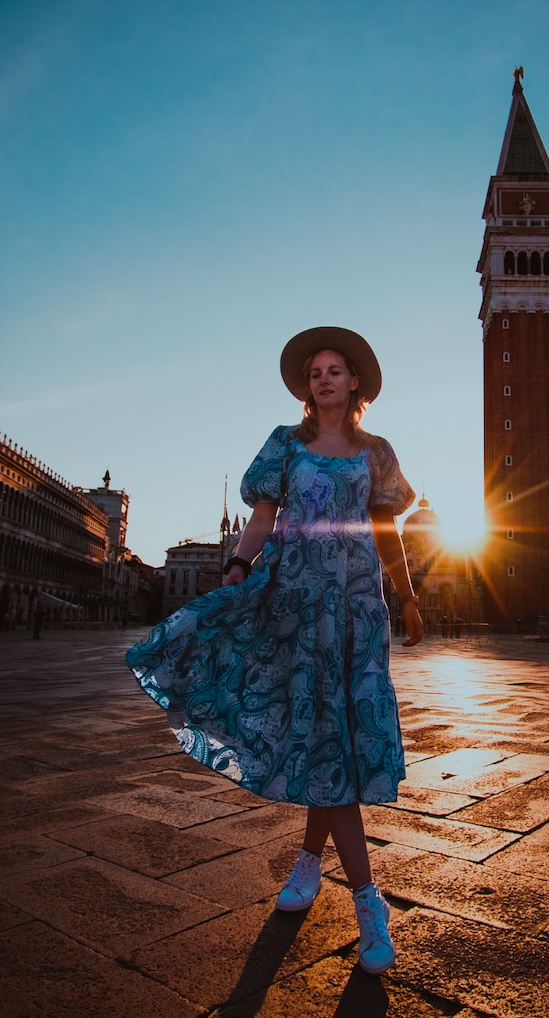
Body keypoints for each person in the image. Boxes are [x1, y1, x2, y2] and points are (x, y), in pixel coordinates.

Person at [126, 327, 423, 974]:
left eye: (335, 369)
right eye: (315, 371)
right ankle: (369, 901)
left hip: (357, 616)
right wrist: (237, 566)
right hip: (292, 607)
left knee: (335, 743)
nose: (324, 378)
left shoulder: (374, 453)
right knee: (326, 741)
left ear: (355, 383)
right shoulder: (284, 445)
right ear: (308, 385)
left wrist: (409, 597)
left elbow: (385, 531)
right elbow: (263, 515)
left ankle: (311, 864)